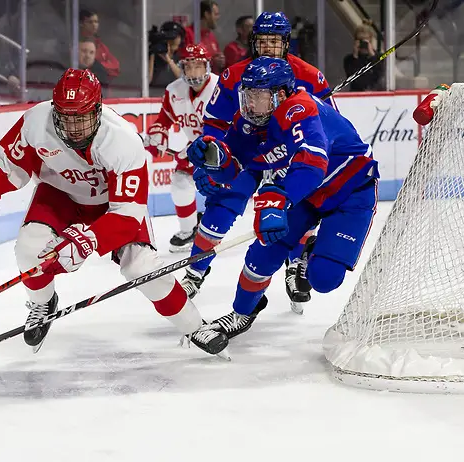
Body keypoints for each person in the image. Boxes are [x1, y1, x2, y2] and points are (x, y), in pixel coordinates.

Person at [0, 68, 228, 356]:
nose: (73, 127)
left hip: (112, 207)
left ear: (97, 110)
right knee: (28, 247)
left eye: (81, 117)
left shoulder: (122, 141)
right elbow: (8, 163)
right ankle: (43, 303)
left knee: (141, 267)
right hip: (60, 194)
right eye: (66, 117)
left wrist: (90, 240)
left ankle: (195, 326)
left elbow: (127, 213)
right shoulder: (37, 121)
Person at [187, 57, 378, 340]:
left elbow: (313, 165)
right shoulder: (249, 121)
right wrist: (214, 163)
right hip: (306, 196)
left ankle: (309, 250)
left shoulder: (300, 109)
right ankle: (242, 313)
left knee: (323, 279)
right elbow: (236, 166)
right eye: (247, 95)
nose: (250, 104)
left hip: (350, 192)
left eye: (257, 96)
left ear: (280, 94)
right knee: (264, 252)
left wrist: (281, 198)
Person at [181, 11, 335, 313]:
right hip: (249, 151)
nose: (267, 47)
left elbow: (328, 125)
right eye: (262, 41)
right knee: (221, 207)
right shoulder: (235, 75)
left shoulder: (310, 76)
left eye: (274, 42)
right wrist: (212, 154)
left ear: (286, 43)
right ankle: (195, 272)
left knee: (294, 211)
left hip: (288, 158)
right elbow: (215, 122)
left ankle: (294, 268)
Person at [144, 43, 217, 252]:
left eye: (198, 66)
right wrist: (157, 136)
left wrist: (197, 147)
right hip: (195, 148)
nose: (193, 72)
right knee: (180, 181)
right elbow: (163, 120)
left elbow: (227, 127)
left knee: (222, 190)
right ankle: (190, 230)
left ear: (207, 66)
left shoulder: (220, 88)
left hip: (226, 148)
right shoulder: (174, 91)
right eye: (189, 66)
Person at [184, 1, 224, 74]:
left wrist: (220, 60)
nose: (218, 18)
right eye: (216, 14)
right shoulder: (188, 33)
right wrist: (212, 60)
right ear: (207, 14)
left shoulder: (211, 35)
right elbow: (186, 61)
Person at [79, 9, 120, 80]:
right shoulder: (75, 42)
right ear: (81, 23)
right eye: (90, 22)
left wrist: (100, 66)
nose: (94, 25)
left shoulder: (100, 45)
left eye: (96, 22)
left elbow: (115, 67)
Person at [343, 21, 383, 92]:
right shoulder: (349, 60)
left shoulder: (379, 57)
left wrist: (372, 56)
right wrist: (355, 56)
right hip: (356, 94)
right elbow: (352, 78)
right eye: (360, 41)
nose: (363, 44)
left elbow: (379, 76)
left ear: (370, 41)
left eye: (365, 40)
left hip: (375, 94)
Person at [148, 21, 184, 89]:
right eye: (173, 37)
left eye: (179, 37)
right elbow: (147, 80)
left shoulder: (179, 57)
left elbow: (183, 79)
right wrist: (152, 54)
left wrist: (169, 60)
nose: (176, 40)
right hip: (154, 94)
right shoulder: (154, 55)